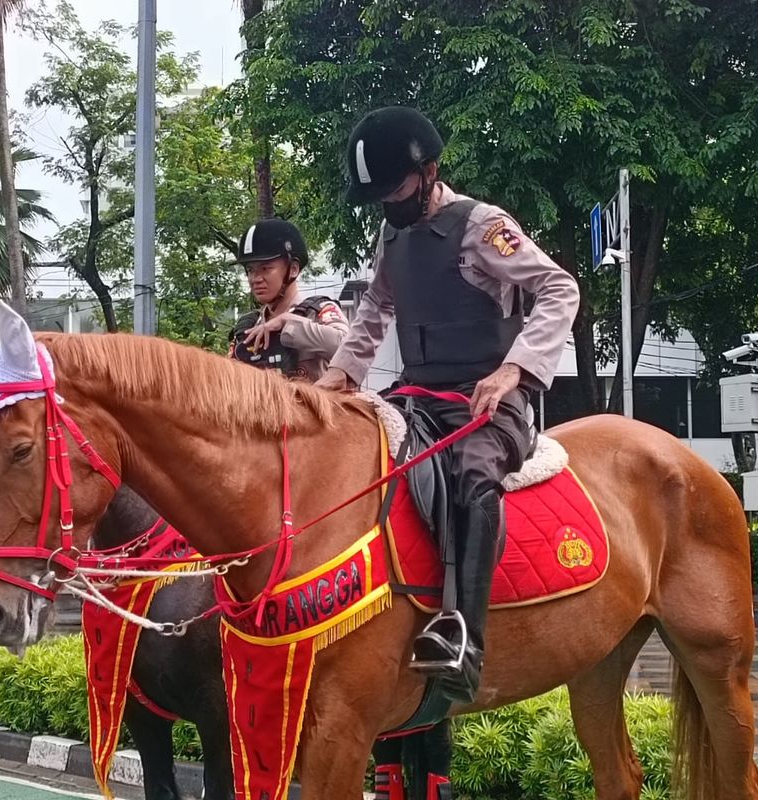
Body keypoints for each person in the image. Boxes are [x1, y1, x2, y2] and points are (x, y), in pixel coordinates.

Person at [317, 106, 580, 699]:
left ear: (431, 170)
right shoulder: (393, 235)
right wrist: (338, 378)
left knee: (472, 476)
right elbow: (373, 312)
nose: (388, 204)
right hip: (419, 396)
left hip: (488, 402)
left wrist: (515, 369)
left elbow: (560, 287)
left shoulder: (482, 226)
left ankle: (466, 637)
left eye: (396, 189)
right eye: (378, 196)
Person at [228, 217, 349, 382]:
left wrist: (288, 322)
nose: (255, 278)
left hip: (312, 407)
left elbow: (350, 347)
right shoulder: (246, 328)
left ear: (293, 269)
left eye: (265, 268)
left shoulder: (319, 311)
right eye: (250, 270)